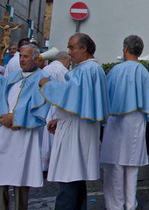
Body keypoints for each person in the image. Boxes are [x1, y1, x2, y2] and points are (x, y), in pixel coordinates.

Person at [38, 33, 109, 210]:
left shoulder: (86, 69)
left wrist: (48, 83)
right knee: (76, 176)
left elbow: (69, 94)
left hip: (75, 131)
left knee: (69, 176)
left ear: (83, 49)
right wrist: (59, 119)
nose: (69, 52)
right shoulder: (90, 68)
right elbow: (78, 102)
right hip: (75, 126)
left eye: (71, 47)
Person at [100, 35, 149, 210]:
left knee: (115, 164)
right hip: (137, 119)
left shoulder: (116, 70)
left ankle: (115, 204)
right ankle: (131, 204)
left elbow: (106, 97)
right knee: (132, 165)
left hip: (116, 119)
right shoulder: (143, 71)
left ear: (125, 49)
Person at [0, 44, 50, 210]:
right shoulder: (11, 77)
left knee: (21, 176)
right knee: (2, 174)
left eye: (26, 56)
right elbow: (2, 98)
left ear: (35, 58)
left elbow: (41, 106)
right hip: (5, 134)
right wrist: (4, 117)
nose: (22, 59)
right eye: (20, 56)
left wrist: (16, 119)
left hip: (24, 136)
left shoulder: (43, 78)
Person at [41, 51, 71, 172]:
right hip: (56, 106)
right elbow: (66, 90)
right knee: (54, 136)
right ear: (64, 59)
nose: (69, 64)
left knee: (44, 137)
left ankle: (44, 164)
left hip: (44, 105)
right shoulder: (62, 70)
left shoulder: (45, 68)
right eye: (69, 61)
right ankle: (53, 164)